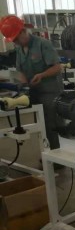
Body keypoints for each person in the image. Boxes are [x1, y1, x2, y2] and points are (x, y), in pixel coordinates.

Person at [0, 15, 63, 151]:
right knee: (36, 122)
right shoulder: (19, 49)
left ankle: (56, 154)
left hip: (49, 92)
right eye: (14, 41)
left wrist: (42, 75)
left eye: (16, 39)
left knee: (50, 124)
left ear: (23, 31)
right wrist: (24, 85)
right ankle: (43, 153)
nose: (16, 42)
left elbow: (57, 67)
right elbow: (21, 70)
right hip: (33, 91)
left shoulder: (43, 44)